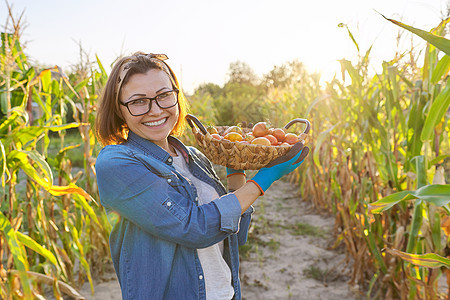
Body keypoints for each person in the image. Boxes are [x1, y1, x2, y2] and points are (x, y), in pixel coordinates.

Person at [94, 52, 309, 300]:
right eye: (138, 101)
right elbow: (193, 228)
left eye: (164, 96)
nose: (155, 110)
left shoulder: (193, 156)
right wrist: (262, 181)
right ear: (119, 109)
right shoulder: (116, 163)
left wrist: (236, 170)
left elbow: (234, 236)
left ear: (176, 97)